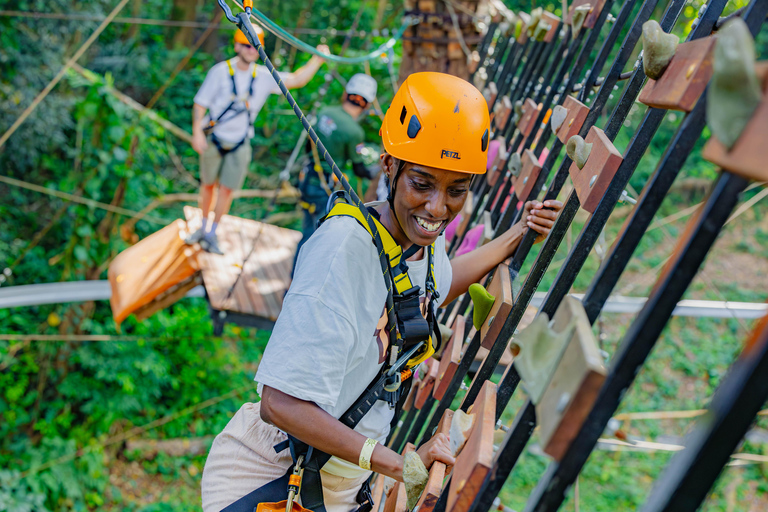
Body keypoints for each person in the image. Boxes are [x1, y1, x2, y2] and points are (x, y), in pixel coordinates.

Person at [201, 72, 563, 512]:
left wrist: (518, 234)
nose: (437, 208)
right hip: (273, 477)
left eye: (457, 190)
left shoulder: (422, 240)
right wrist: (398, 463)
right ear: (389, 165)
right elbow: (280, 403)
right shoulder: (344, 252)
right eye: (422, 183)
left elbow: (438, 286)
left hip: (335, 485)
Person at [187, 25, 329, 254]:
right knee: (208, 185)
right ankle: (202, 227)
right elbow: (200, 102)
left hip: (240, 143)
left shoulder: (263, 76)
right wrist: (196, 131)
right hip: (214, 138)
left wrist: (318, 58)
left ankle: (212, 232)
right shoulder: (220, 72)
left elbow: (296, 80)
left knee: (226, 190)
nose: (251, 50)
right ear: (236, 46)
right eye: (246, 45)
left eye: (255, 46)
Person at [292, 73, 380, 273]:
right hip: (324, 189)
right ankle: (295, 280)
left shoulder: (325, 112)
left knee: (308, 229)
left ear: (346, 94)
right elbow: (359, 169)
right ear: (366, 104)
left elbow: (309, 146)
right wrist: (375, 171)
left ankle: (294, 278)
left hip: (307, 179)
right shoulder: (354, 131)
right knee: (313, 237)